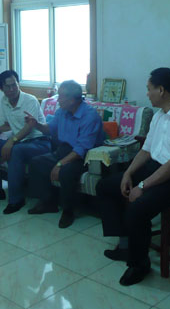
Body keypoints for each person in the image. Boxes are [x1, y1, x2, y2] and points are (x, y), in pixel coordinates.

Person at [96, 68, 170, 286]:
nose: (147, 93)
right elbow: (146, 150)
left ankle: (139, 264)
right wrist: (128, 173)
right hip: (156, 168)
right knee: (105, 186)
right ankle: (126, 245)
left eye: (149, 89)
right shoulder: (159, 115)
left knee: (138, 208)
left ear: (161, 90)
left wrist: (142, 186)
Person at [26, 80, 104, 229]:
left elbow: (81, 149)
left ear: (72, 100)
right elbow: (49, 130)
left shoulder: (89, 116)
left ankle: (68, 211)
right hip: (64, 150)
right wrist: (36, 124)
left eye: (61, 96)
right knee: (37, 162)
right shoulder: (62, 111)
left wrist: (60, 164)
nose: (58, 99)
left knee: (66, 172)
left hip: (86, 157)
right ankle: (48, 202)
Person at [0, 70, 51, 214]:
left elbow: (29, 126)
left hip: (39, 142)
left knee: (15, 150)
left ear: (18, 84)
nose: (12, 89)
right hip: (20, 142)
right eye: (8, 86)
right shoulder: (4, 101)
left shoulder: (29, 100)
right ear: (1, 88)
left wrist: (12, 141)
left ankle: (16, 199)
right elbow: (8, 124)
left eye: (14, 85)